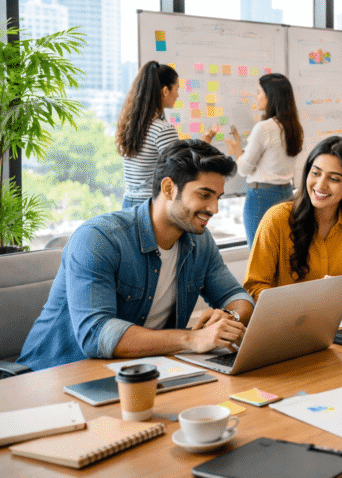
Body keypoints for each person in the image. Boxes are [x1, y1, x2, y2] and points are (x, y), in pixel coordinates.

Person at [18, 139, 255, 371]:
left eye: (218, 197)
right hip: (56, 373)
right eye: (205, 195)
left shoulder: (200, 242)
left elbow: (239, 299)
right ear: (169, 189)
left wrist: (229, 318)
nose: (214, 209)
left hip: (139, 370)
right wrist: (192, 339)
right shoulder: (99, 239)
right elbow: (96, 334)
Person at [244, 136, 342, 308]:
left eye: (334, 179)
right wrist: (309, 301)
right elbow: (254, 286)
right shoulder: (276, 219)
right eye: (315, 173)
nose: (320, 185)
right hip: (289, 321)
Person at [209, 73, 303, 247]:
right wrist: (241, 152)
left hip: (262, 198)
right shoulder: (293, 127)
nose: (256, 96)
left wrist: (238, 153)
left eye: (259, 92)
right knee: (282, 253)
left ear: (271, 97)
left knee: (258, 255)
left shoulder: (264, 128)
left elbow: (244, 170)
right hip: (287, 195)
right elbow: (272, 159)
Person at [116, 61, 216, 208]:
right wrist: (203, 146)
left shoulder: (132, 125)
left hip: (129, 202)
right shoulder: (162, 129)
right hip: (150, 205)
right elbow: (182, 170)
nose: (177, 95)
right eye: (176, 89)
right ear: (165, 91)